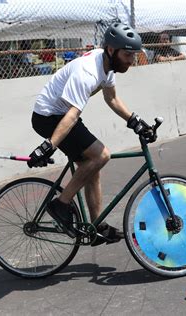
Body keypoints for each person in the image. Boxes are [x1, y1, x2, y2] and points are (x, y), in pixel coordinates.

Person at [27, 22, 156, 246]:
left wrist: (135, 122)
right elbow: (71, 116)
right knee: (101, 155)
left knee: (92, 167)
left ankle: (96, 227)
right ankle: (61, 205)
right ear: (111, 50)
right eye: (127, 54)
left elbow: (112, 98)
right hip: (50, 117)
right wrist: (48, 146)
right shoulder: (87, 71)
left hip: (64, 115)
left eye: (133, 55)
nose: (131, 60)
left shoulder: (107, 65)